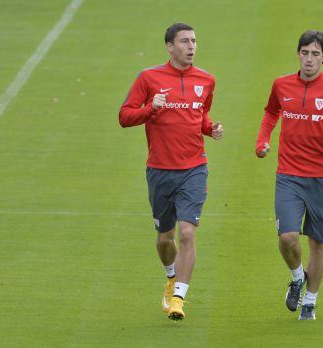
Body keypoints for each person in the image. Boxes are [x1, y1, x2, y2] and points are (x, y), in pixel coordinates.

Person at [255, 30, 323, 320]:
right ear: (298, 54)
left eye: (316, 54)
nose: (310, 59)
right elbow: (270, 113)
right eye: (305, 53)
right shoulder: (281, 85)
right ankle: (297, 277)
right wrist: (262, 141)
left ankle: (310, 302)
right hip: (289, 175)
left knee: (319, 243)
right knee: (288, 236)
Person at [118, 22, 223, 321]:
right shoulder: (149, 78)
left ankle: (179, 297)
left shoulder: (206, 80)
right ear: (169, 46)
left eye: (194, 41)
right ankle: (169, 276)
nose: (191, 47)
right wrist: (151, 107)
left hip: (194, 168)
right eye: (184, 41)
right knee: (166, 238)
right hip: (160, 171)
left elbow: (201, 115)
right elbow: (125, 117)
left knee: (187, 232)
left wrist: (210, 129)